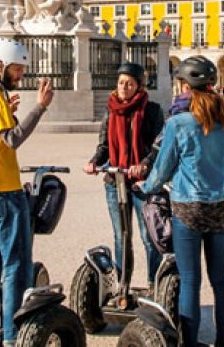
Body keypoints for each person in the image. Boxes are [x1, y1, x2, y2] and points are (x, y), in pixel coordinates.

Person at [0, 38, 54, 345]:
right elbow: (12, 139)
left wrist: (10, 109)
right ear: (0, 65)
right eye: (17, 69)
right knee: (16, 263)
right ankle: (13, 335)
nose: (21, 76)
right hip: (3, 191)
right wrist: (39, 108)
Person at [141, 56, 224, 347]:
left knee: (190, 281)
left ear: (186, 86)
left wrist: (146, 187)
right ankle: (222, 342)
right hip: (220, 206)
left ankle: (190, 343)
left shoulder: (179, 124)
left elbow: (163, 168)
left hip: (188, 209)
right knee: (220, 280)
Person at [84, 62, 165, 286]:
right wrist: (94, 162)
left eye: (129, 83)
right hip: (115, 181)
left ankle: (154, 284)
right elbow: (104, 147)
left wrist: (145, 164)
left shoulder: (152, 110)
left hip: (142, 183)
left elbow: (159, 145)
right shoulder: (110, 110)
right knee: (121, 236)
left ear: (139, 86)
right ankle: (122, 285)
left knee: (148, 237)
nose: (124, 87)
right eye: (121, 83)